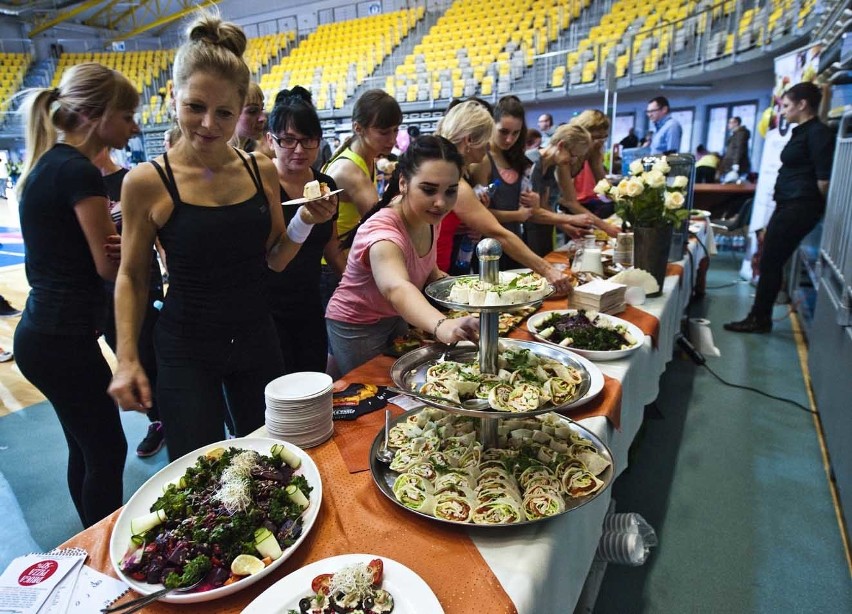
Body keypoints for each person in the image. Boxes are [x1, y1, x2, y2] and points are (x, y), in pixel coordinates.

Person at [108, 14, 336, 460]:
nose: (209, 124)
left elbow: (274, 256)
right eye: (195, 107)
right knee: (198, 468)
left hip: (256, 335)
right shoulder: (146, 182)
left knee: (271, 460)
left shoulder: (259, 169)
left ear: (242, 111)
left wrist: (306, 220)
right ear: (173, 97)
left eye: (224, 112)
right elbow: (133, 277)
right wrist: (127, 357)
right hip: (186, 347)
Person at [13, 62, 139, 527]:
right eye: (127, 115)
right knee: (107, 448)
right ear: (96, 114)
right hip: (62, 339)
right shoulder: (79, 172)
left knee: (83, 445)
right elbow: (109, 265)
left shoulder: (49, 165)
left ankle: (87, 539)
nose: (134, 125)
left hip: (44, 334)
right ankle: (101, 553)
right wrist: (137, 241)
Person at [325, 135, 480, 375]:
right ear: (404, 183)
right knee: (373, 396)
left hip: (394, 315)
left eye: (450, 191)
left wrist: (470, 299)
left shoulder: (428, 217)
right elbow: (396, 288)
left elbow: (429, 271)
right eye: (428, 190)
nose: (440, 202)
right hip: (357, 325)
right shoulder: (383, 232)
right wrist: (442, 324)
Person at [725, 83, 835, 333]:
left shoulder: (818, 133)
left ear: (802, 104)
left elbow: (824, 180)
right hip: (789, 204)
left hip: (799, 206)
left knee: (771, 261)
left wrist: (806, 203)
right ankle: (759, 316)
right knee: (769, 260)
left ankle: (759, 318)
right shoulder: (802, 131)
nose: (782, 112)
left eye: (786, 106)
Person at [433, 101, 573, 295]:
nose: (488, 148)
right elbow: (498, 233)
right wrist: (547, 269)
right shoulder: (453, 180)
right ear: (469, 140)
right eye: (487, 140)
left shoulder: (453, 173)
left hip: (441, 268)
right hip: (436, 270)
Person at [92, 148, 166, 457]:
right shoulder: (75, 182)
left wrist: (138, 242)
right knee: (129, 356)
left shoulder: (132, 179)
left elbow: (161, 235)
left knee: (153, 355)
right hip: (105, 292)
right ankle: (158, 420)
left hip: (145, 285)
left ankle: (168, 417)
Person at [264, 86, 344, 373]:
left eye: (308, 140)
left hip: (310, 302)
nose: (299, 150)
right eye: (288, 140)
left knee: (312, 380)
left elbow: (331, 246)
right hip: (267, 308)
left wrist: (355, 286)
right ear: (269, 140)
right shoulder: (261, 184)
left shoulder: (326, 185)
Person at [470, 96, 591, 265]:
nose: (509, 139)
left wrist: (532, 204)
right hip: (489, 250)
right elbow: (478, 215)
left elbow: (528, 205)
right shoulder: (483, 160)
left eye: (516, 133)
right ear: (492, 126)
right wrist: (518, 215)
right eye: (503, 132)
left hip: (515, 244)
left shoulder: (516, 159)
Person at [321, 89, 402, 305]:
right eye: (384, 132)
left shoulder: (364, 156)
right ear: (359, 128)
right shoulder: (350, 170)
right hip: (334, 265)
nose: (392, 139)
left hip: (344, 259)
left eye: (395, 130)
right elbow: (381, 223)